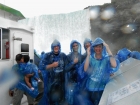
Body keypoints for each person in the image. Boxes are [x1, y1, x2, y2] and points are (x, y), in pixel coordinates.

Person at [82, 37, 120, 105]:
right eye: (96, 47)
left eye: (99, 47)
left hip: (103, 87)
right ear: (93, 48)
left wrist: (108, 49)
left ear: (102, 48)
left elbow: (114, 65)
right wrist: (88, 55)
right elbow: (85, 69)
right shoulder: (91, 57)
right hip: (92, 88)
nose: (98, 49)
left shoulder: (106, 58)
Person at [38, 39, 67, 105]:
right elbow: (41, 66)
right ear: (52, 47)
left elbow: (67, 66)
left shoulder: (63, 55)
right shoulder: (47, 55)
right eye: (54, 46)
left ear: (59, 47)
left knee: (61, 99)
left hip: (61, 81)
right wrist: (52, 65)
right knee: (51, 99)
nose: (56, 47)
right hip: (50, 81)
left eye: (57, 46)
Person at [65, 40, 83, 105]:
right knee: (70, 98)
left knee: (78, 98)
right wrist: (73, 63)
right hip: (71, 81)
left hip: (79, 81)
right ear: (71, 47)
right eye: (73, 46)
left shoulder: (81, 56)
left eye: (76, 45)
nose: (75, 47)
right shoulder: (68, 56)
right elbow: (66, 69)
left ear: (78, 46)